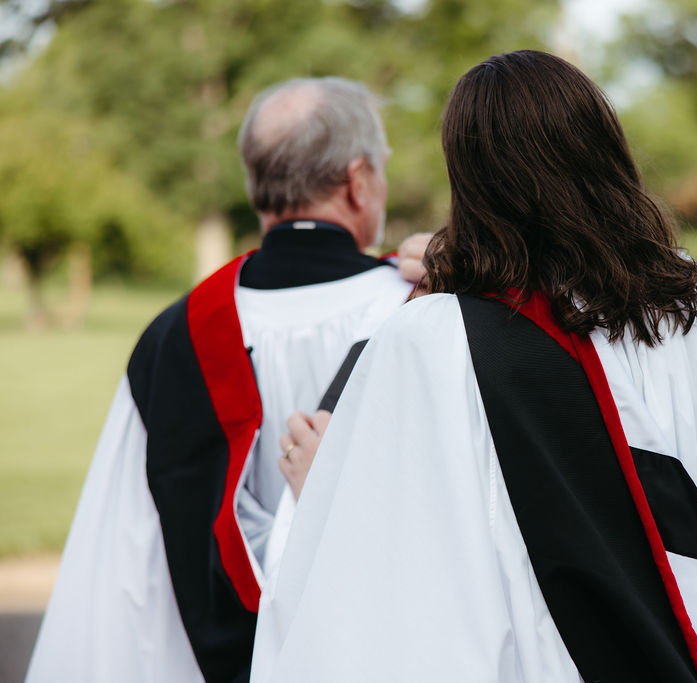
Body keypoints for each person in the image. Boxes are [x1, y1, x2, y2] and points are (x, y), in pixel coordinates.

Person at [251, 50, 697, 683]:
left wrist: (330, 491)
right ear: (605, 151)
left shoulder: (432, 336)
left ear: (468, 179)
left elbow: (407, 588)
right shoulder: (689, 303)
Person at [27, 76, 428, 683]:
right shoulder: (423, 313)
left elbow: (122, 566)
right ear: (357, 180)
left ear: (258, 184)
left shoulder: (172, 337)